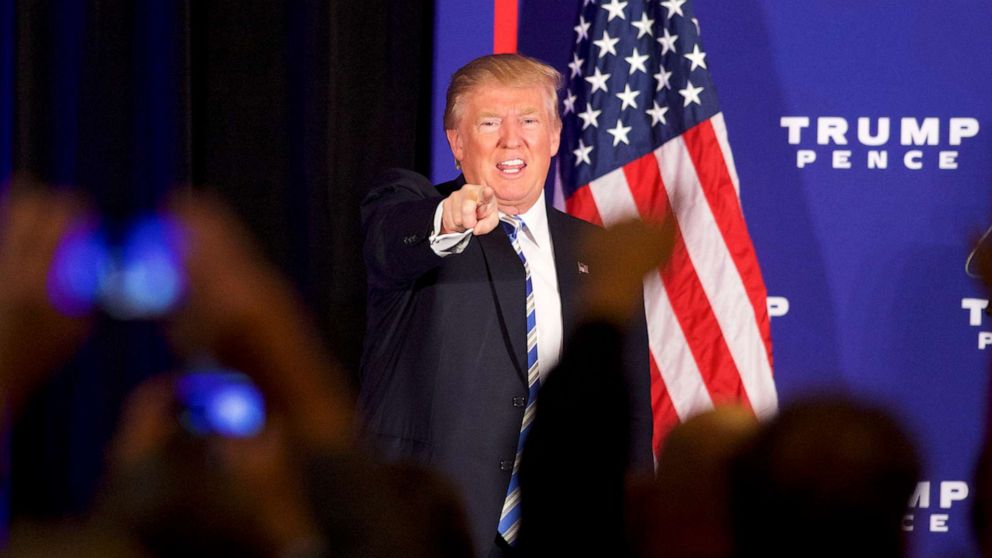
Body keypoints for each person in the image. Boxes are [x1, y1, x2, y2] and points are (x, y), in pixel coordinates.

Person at [359, 53, 653, 557]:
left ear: (555, 136)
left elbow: (627, 415)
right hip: (431, 529)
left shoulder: (598, 253)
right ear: (456, 142)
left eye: (530, 121)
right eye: (490, 123)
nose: (512, 139)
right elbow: (391, 241)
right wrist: (447, 219)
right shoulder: (417, 215)